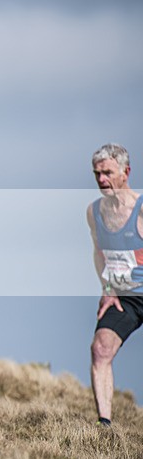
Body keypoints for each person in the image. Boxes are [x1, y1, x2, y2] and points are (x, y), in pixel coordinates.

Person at [87, 143, 142, 427]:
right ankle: (104, 425)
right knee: (100, 348)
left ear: (125, 172)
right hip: (124, 297)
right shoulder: (94, 212)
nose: (101, 179)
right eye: (97, 173)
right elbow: (99, 253)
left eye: (107, 172)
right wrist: (107, 288)